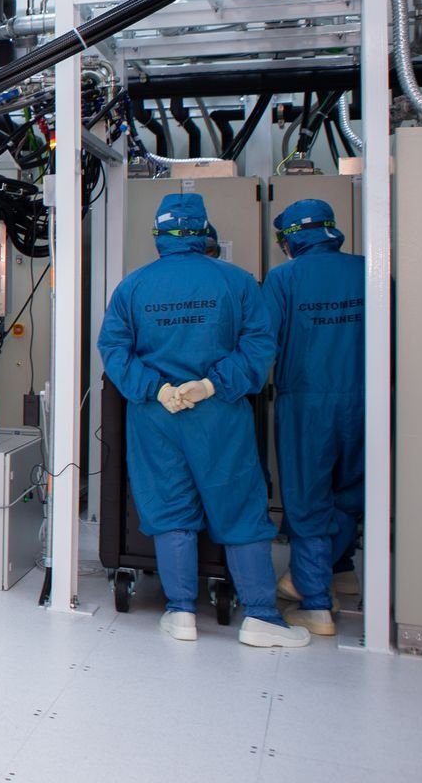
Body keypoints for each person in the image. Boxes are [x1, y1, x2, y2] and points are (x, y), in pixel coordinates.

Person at [98, 193, 308, 649]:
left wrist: (157, 389)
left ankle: (180, 612)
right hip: (218, 415)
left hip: (157, 416)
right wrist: (212, 385)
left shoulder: (132, 287)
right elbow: (258, 347)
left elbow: (114, 350)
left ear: (158, 235)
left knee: (170, 509)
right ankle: (261, 616)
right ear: (203, 231)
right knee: (240, 507)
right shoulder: (236, 282)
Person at [264, 199, 366, 637]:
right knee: (352, 493)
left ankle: (314, 599)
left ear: (289, 239)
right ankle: (341, 573)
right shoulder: (371, 270)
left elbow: (261, 341)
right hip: (368, 399)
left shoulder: (284, 278)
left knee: (308, 500)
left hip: (307, 403)